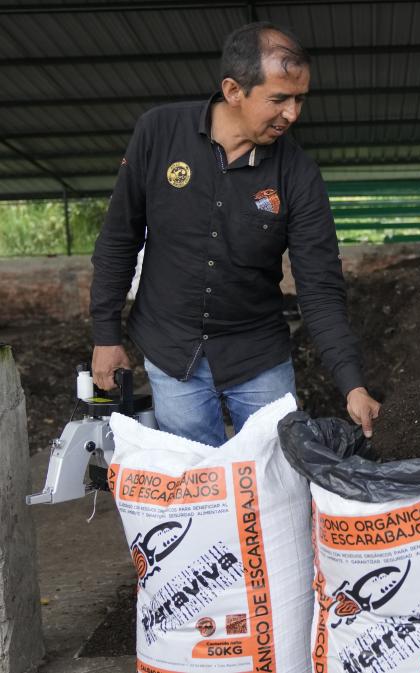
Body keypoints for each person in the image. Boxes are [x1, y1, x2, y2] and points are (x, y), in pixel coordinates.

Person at [90, 22, 380, 446]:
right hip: (171, 350)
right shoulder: (159, 133)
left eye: (300, 99)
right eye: (279, 99)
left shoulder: (297, 174)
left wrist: (352, 384)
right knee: (195, 483)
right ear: (233, 90)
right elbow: (119, 238)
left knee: (276, 473)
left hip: (258, 356)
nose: (293, 114)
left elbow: (319, 285)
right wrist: (105, 335)